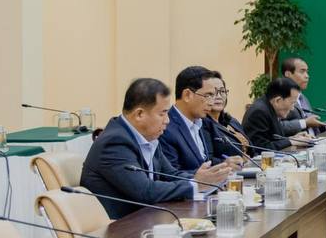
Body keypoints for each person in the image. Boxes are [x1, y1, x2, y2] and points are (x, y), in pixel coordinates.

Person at [80, 77, 233, 219]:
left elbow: (171, 174)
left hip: (147, 219)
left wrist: (208, 177)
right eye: (163, 114)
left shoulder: (148, 136)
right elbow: (145, 191)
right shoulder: (115, 142)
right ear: (140, 114)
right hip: (120, 229)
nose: (167, 121)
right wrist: (196, 184)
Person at [159, 65, 243, 173]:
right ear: (187, 95)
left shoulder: (202, 122)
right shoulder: (166, 127)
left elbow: (205, 161)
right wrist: (213, 172)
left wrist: (225, 164)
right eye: (208, 95)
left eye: (213, 95)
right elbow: (170, 175)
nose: (212, 102)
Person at [243, 77, 304, 152]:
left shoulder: (269, 107)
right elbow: (260, 148)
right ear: (277, 100)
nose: (292, 108)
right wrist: (291, 141)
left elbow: (273, 139)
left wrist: (294, 138)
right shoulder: (259, 112)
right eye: (292, 103)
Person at [203, 71, 250, 151]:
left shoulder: (232, 121)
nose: (219, 96)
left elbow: (252, 149)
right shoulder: (203, 125)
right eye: (213, 92)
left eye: (222, 91)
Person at [280, 56, 325, 135]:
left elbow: (311, 126)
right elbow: (276, 127)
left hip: (314, 140)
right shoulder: (279, 97)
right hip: (296, 142)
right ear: (288, 74)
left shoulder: (303, 98)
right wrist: (305, 122)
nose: (307, 76)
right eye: (302, 71)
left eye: (307, 72)